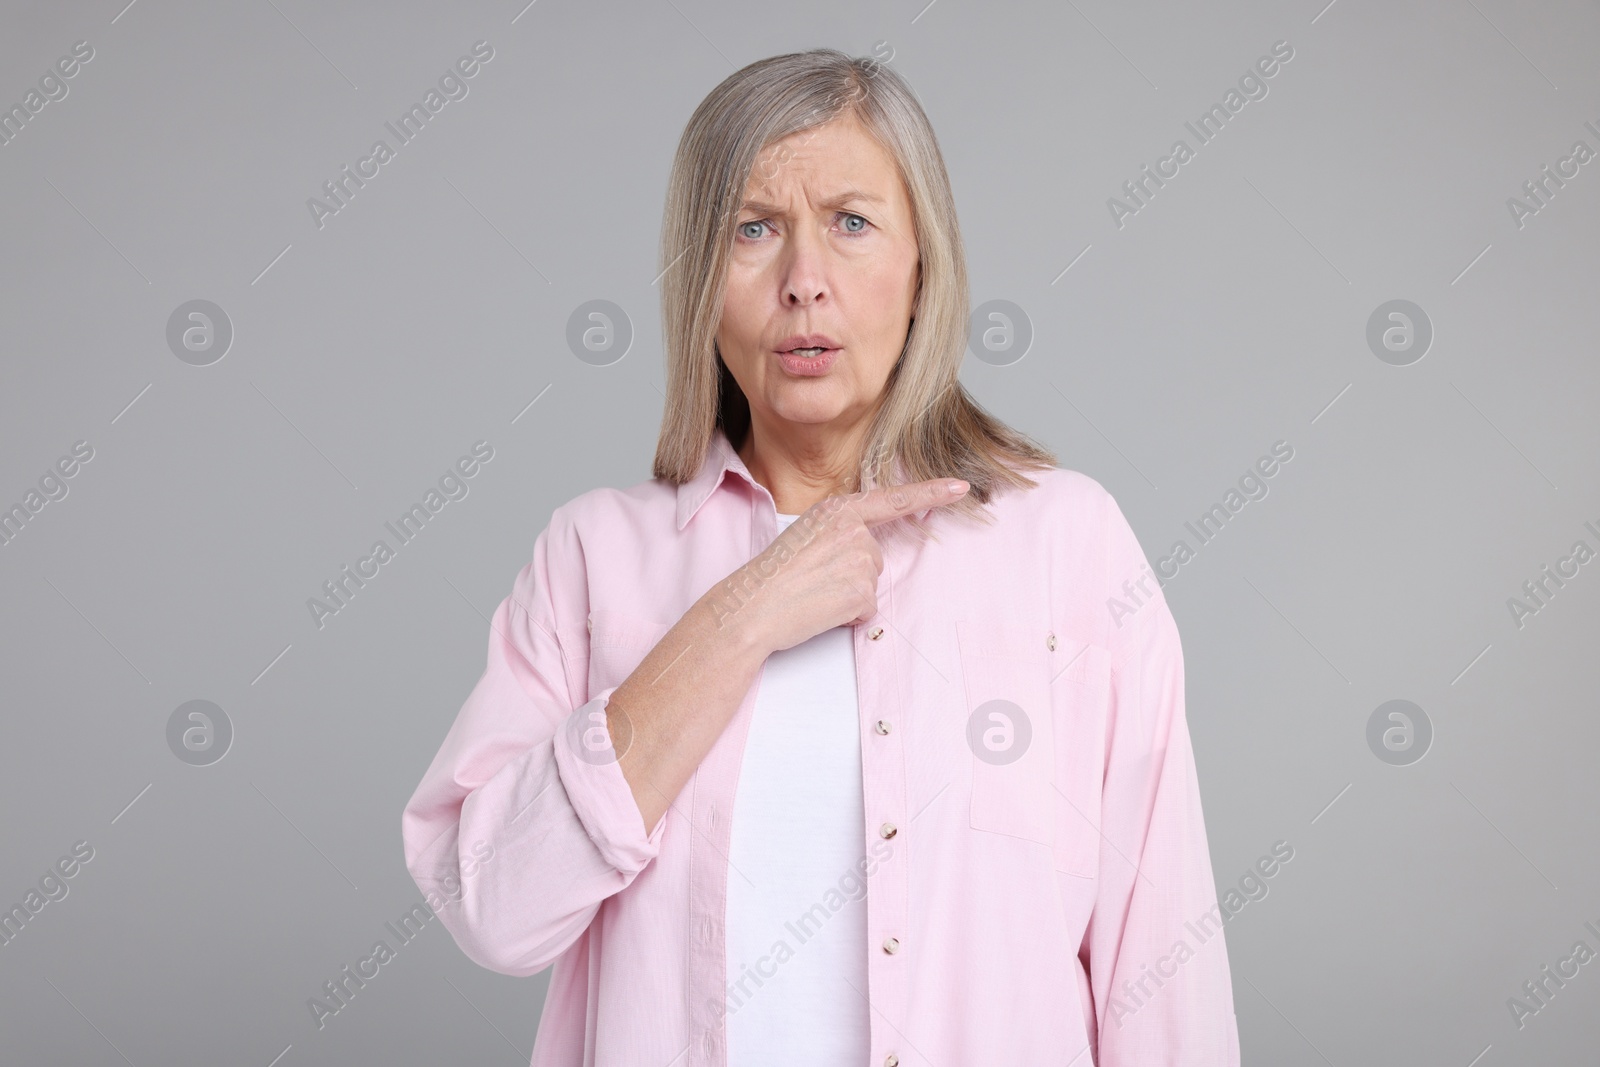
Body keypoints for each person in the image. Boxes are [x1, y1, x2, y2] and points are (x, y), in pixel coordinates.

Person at [401, 47, 1239, 1066]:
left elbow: (1161, 964)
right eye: (752, 230)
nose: (804, 283)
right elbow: (489, 906)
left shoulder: (1070, 542)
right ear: (697, 278)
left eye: (851, 223)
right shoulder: (591, 555)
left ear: (921, 262)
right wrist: (739, 613)